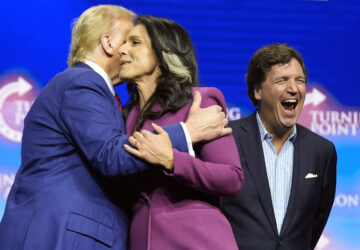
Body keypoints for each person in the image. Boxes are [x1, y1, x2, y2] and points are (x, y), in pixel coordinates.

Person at [0, 5, 232, 250]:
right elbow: (110, 155)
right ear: (109, 43)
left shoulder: (110, 101)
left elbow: (231, 176)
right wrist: (187, 132)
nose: (127, 50)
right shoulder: (82, 82)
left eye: (136, 42)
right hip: (63, 235)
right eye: (128, 39)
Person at [117, 15, 244, 250]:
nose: (122, 49)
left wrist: (173, 160)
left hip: (196, 240)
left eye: (135, 42)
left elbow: (232, 177)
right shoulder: (124, 117)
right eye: (123, 42)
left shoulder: (198, 101)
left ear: (163, 53)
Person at [222, 43, 337, 250]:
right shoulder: (226, 139)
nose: (293, 88)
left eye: (299, 81)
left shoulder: (322, 152)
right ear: (258, 90)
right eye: (282, 80)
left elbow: (316, 222)